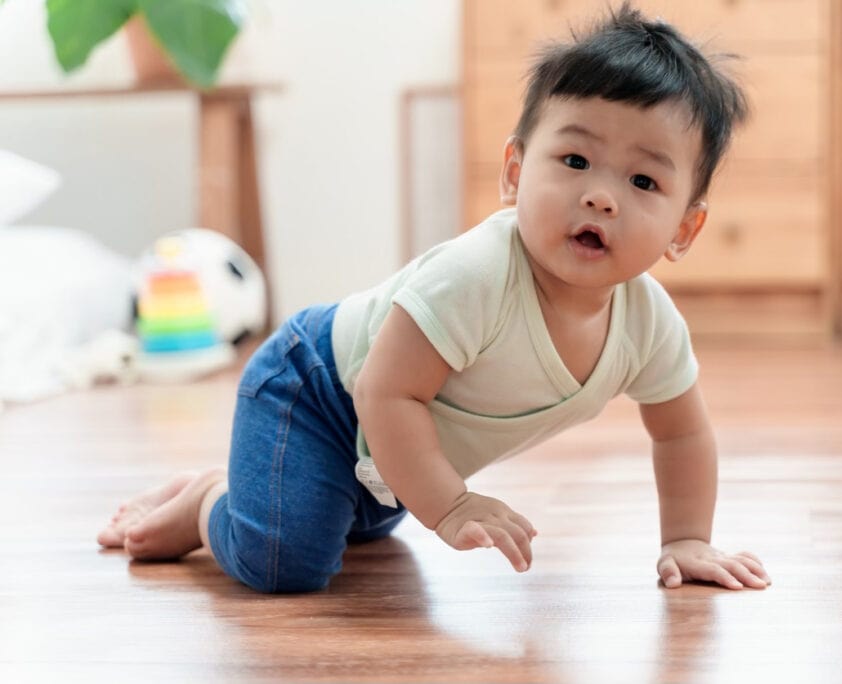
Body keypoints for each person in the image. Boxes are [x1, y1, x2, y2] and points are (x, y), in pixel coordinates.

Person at [98, 4, 771, 594]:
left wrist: (686, 539)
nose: (601, 194)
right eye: (574, 161)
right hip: (320, 391)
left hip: (396, 443)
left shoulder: (647, 325)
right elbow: (387, 391)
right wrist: (450, 506)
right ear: (514, 173)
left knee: (350, 531)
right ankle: (209, 502)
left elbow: (681, 431)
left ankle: (265, 485)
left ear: (684, 228)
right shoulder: (479, 274)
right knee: (288, 563)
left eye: (643, 181)